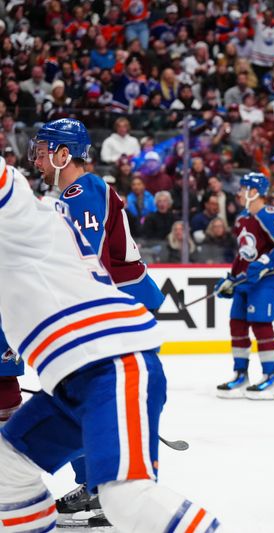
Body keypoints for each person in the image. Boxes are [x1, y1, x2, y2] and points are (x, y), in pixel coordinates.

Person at [0, 155, 222, 532]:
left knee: (125, 498)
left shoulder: (22, 216)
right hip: (76, 377)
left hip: (111, 363)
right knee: (8, 471)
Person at [29, 118, 166, 525]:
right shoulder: (74, 193)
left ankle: (116, 491)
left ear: (63, 154)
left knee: (92, 400)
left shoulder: (83, 191)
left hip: (120, 308)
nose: (35, 159)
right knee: (84, 399)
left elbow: (87, 264)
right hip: (113, 306)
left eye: (42, 151)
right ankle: (97, 487)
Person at [214, 173, 274, 400]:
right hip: (246, 281)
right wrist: (231, 277)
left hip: (268, 278)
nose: (239, 193)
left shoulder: (270, 215)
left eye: (243, 188)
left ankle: (271, 377)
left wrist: (266, 262)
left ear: (254, 192)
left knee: (260, 322)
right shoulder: (241, 219)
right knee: (237, 322)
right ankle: (241, 375)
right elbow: (243, 255)